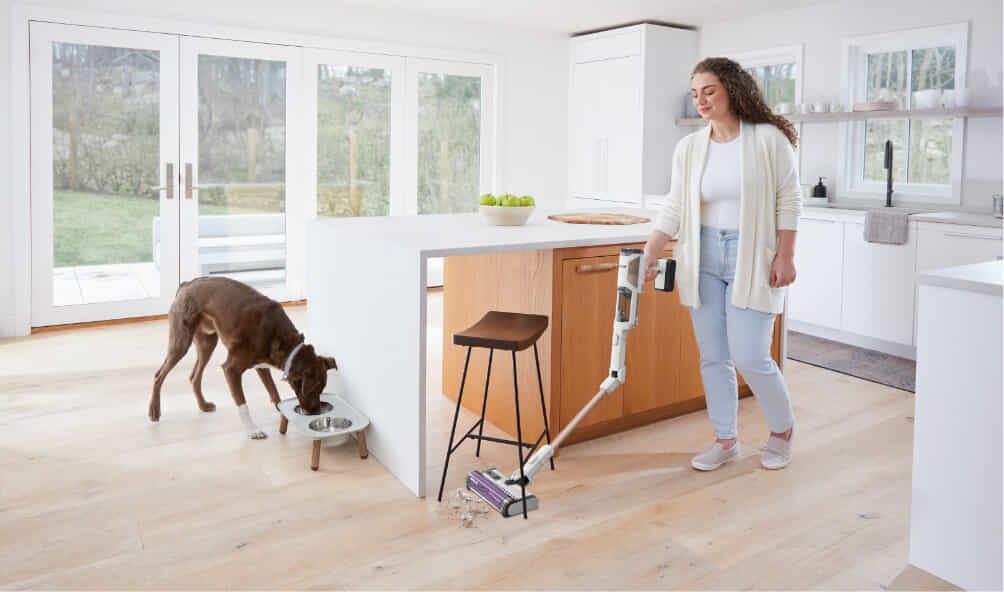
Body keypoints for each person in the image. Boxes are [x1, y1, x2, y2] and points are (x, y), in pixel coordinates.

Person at [643, 57, 801, 471]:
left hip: (753, 256)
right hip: (703, 255)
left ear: (733, 88)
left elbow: (789, 200)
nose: (701, 100)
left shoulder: (768, 140)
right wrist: (651, 250)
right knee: (713, 356)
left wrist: (786, 255)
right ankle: (725, 439)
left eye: (709, 90)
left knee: (750, 355)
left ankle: (782, 431)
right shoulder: (690, 147)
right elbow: (675, 204)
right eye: (695, 93)